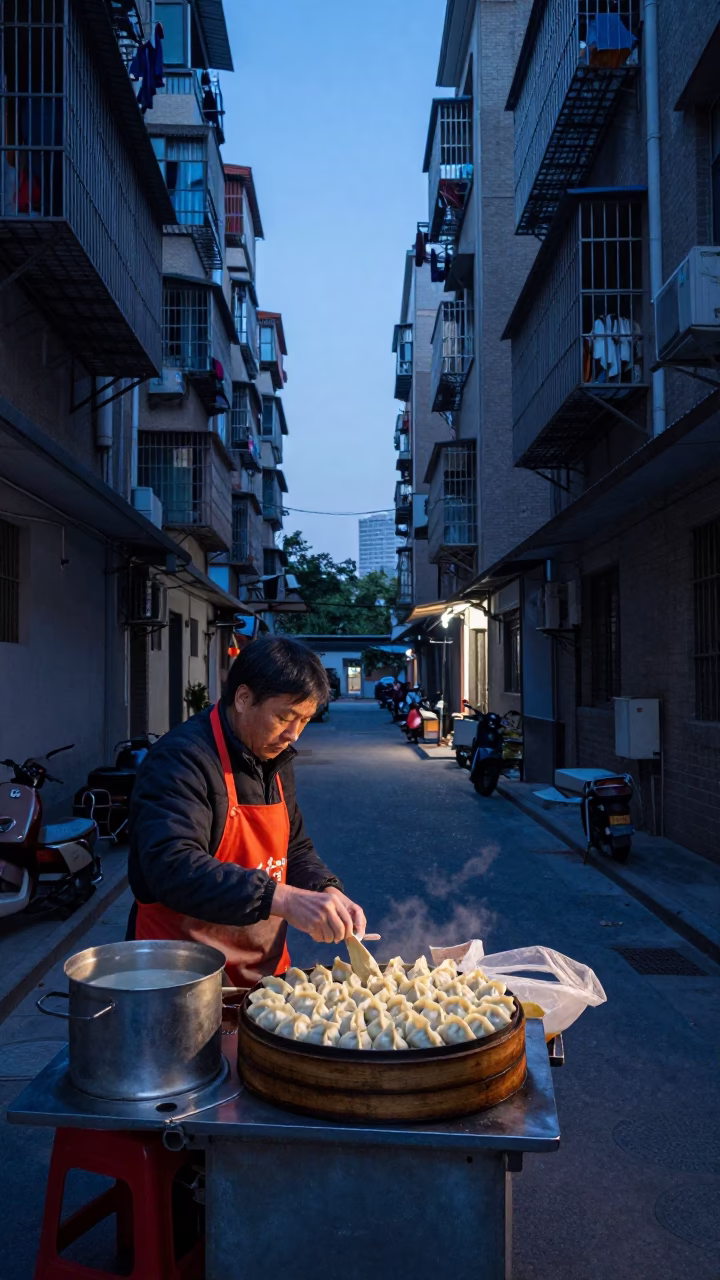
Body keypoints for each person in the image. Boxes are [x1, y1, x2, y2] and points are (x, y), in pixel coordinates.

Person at [127, 636, 366, 986]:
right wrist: (280, 898)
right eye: (284, 717)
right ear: (243, 699)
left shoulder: (275, 756)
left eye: (304, 721)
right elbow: (171, 866)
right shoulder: (180, 759)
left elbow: (293, 848)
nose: (293, 735)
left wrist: (325, 888)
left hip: (264, 976)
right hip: (179, 977)